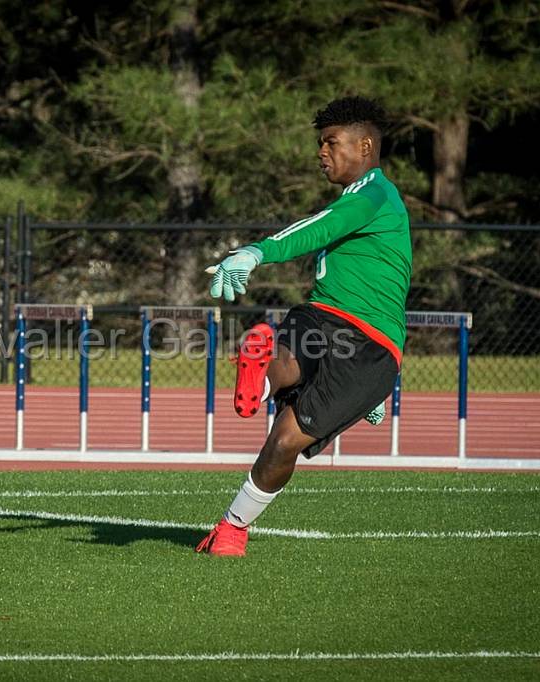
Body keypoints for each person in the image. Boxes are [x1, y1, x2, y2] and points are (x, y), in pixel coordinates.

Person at [197, 96, 412, 557]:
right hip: (349, 332)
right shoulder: (371, 200)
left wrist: (256, 251)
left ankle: (263, 377)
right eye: (321, 143)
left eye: (331, 143)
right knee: (287, 426)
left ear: (366, 146)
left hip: (350, 336)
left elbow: (314, 229)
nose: (322, 153)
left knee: (286, 415)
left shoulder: (372, 195)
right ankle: (233, 530)